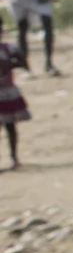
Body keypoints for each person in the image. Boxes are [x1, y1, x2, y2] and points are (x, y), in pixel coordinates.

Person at [0, 38, 28, 167]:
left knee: (10, 125)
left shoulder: (9, 48)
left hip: (6, 93)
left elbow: (22, 61)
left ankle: (14, 157)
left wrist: (9, 64)